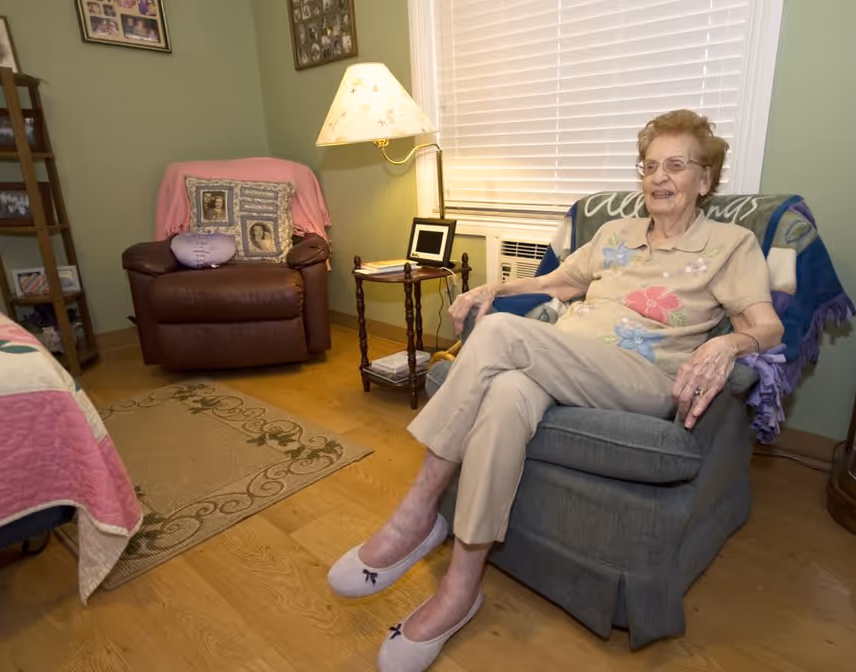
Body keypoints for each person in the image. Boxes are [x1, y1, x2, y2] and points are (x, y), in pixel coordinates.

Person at [327, 109, 784, 671]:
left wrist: (728, 345)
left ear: (705, 180)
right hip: (566, 359)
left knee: (498, 335)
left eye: (675, 165)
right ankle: (462, 587)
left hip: (641, 376)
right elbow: (558, 282)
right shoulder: (616, 233)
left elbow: (767, 326)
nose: (658, 177)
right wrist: (497, 285)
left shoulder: (730, 244)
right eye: (649, 166)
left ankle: (416, 511)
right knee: (504, 395)